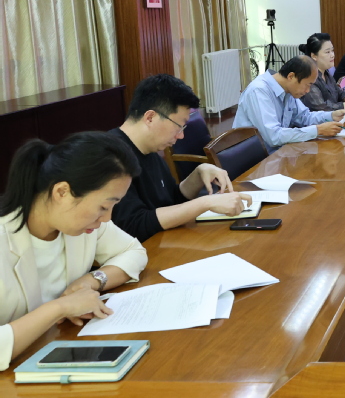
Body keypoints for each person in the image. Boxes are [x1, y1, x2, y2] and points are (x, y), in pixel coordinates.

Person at [0, 132, 148, 371]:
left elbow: (134, 251)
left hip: (58, 351)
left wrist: (93, 280)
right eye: (103, 206)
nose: (106, 218)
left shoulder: (80, 224)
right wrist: (60, 307)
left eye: (112, 207)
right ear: (62, 192)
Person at [110, 75, 254, 243]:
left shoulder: (149, 148)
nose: (181, 135)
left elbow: (171, 202)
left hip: (166, 241)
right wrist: (206, 203)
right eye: (179, 126)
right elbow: (134, 225)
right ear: (150, 118)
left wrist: (197, 174)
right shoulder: (111, 156)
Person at [234, 56, 344, 152]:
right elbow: (274, 137)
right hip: (258, 159)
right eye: (308, 85)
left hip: (280, 152)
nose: (308, 91)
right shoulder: (259, 91)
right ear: (291, 76)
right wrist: (318, 130)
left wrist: (331, 115)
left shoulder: (288, 90)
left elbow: (304, 117)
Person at [298, 33, 345, 113]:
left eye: (332, 51)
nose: (332, 55)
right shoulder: (308, 77)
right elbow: (321, 107)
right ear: (314, 56)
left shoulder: (326, 73)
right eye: (327, 52)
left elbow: (339, 92)